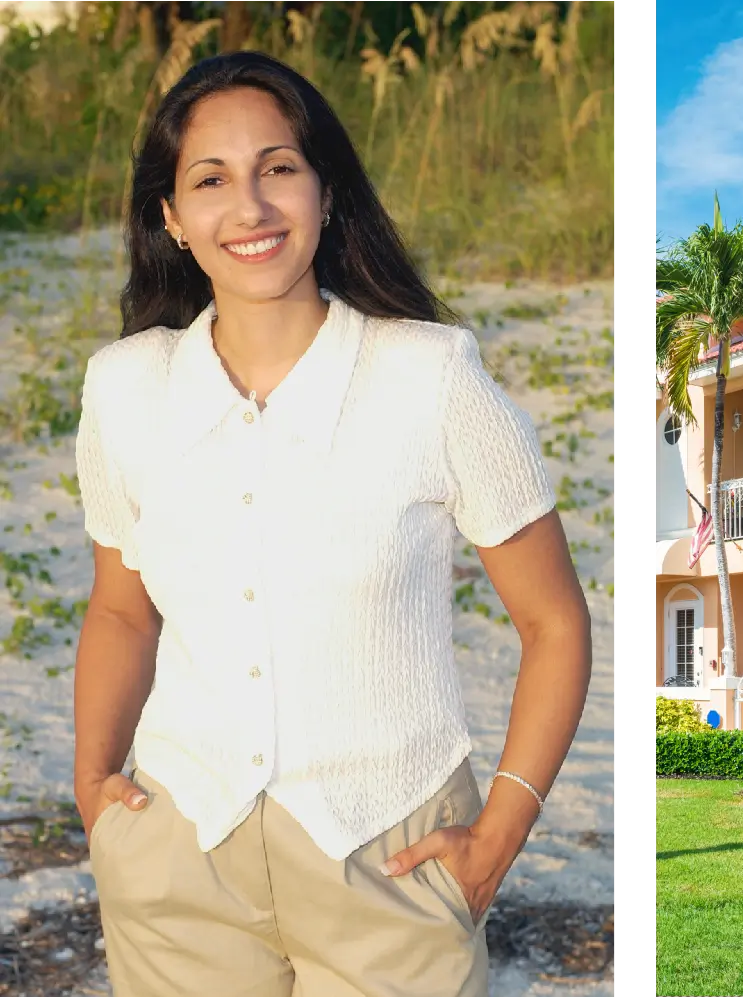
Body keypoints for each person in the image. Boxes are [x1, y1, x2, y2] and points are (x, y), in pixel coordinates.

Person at [71, 50, 592, 997]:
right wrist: (94, 789)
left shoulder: (432, 377)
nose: (251, 207)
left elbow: (554, 621)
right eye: (211, 179)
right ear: (171, 218)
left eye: (278, 168)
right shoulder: (124, 390)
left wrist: (502, 828)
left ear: (324, 191)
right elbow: (121, 610)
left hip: (392, 858)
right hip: (177, 859)